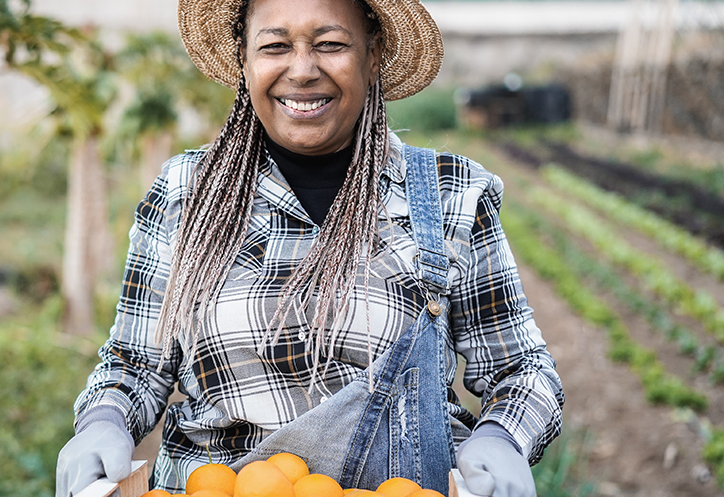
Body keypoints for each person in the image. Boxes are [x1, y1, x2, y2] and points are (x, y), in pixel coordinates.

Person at [56, 0, 564, 495]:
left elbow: (520, 369)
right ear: (245, 58)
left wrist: (501, 437)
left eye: (330, 44)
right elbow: (135, 364)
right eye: (275, 45)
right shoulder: (188, 191)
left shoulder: (447, 192)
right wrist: (105, 419)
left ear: (373, 54)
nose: (302, 71)